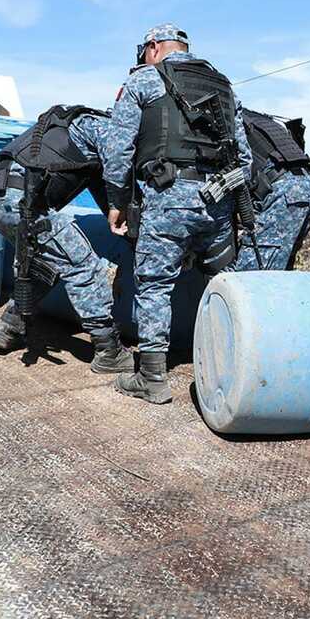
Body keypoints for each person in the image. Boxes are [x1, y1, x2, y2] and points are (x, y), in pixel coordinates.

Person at [102, 24, 252, 404]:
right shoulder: (222, 83)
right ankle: (239, 367)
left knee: (154, 284)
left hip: (167, 197)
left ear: (153, 48)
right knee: (225, 284)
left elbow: (117, 150)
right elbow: (245, 159)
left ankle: (152, 378)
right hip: (218, 200)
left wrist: (117, 202)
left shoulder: (144, 81)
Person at [0, 104, 132, 374]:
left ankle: (8, 326)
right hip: (24, 203)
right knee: (83, 265)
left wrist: (123, 220)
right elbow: (118, 175)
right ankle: (108, 350)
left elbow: (105, 193)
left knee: (46, 263)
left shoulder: (69, 125)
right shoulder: (103, 127)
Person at [234, 106, 310, 271]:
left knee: (252, 279)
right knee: (279, 273)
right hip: (307, 186)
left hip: (283, 192)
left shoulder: (234, 122)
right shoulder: (258, 119)